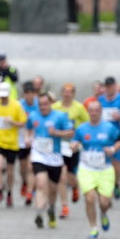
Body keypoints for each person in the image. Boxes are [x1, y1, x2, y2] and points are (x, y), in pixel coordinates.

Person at [71, 100, 120, 239]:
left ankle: (104, 213)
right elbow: (75, 141)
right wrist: (74, 145)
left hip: (104, 169)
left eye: (96, 110)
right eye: (91, 110)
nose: (93, 113)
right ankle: (93, 227)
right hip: (86, 169)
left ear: (100, 112)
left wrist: (112, 149)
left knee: (104, 202)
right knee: (89, 198)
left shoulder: (109, 128)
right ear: (88, 112)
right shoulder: (81, 129)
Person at [25, 93, 74, 229]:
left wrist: (57, 133)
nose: (43, 107)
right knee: (41, 184)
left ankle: (51, 209)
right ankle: (39, 212)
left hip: (55, 158)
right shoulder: (33, 116)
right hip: (38, 155)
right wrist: (27, 138)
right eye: (40, 104)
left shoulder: (60, 116)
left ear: (50, 104)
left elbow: (71, 132)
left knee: (52, 190)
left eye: (45, 104)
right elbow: (28, 128)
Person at [0, 85, 27, 207]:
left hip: (12, 142)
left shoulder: (16, 105)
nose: (3, 98)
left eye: (5, 96)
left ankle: (9, 192)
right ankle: (0, 189)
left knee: (10, 171)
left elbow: (23, 122)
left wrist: (12, 122)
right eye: (1, 96)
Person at [53, 83, 89, 218]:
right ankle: (64, 206)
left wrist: (80, 140)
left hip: (73, 146)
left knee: (71, 177)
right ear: (61, 93)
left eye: (70, 92)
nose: (67, 94)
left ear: (73, 94)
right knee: (61, 177)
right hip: (59, 146)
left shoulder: (79, 108)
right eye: (65, 92)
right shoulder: (55, 107)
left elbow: (87, 124)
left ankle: (75, 187)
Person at [97, 76, 120, 200]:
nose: (109, 88)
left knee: (117, 164)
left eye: (111, 86)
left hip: (118, 136)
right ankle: (106, 186)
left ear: (115, 86)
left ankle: (116, 183)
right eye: (107, 86)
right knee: (104, 162)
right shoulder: (100, 100)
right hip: (103, 136)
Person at [17, 81, 39, 205]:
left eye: (31, 93)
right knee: (23, 167)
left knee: (31, 167)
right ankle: (25, 182)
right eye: (27, 93)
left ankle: (30, 191)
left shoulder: (39, 105)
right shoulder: (20, 105)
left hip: (35, 140)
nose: (29, 96)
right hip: (21, 140)